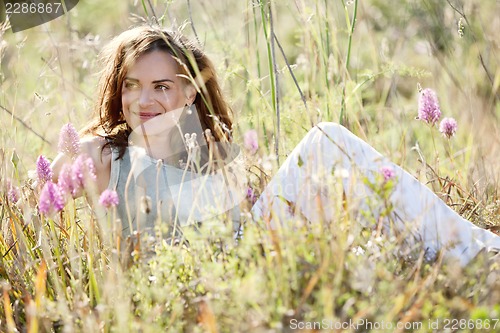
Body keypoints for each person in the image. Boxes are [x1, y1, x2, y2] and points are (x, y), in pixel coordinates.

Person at [51, 25, 500, 265]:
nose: (142, 100)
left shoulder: (203, 147)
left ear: (189, 93)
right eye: (131, 85)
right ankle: (474, 250)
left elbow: (232, 225)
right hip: (207, 274)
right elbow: (48, 193)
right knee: (328, 140)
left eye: (161, 86)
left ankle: (458, 251)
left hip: (253, 253)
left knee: (336, 155)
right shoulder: (105, 155)